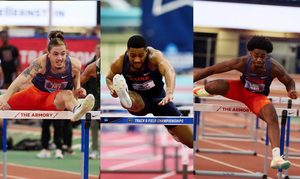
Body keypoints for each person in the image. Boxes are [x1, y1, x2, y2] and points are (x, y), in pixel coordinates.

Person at [193, 35, 297, 169]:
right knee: (211, 86)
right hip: (240, 89)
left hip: (256, 97)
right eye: (256, 55)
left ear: (267, 56)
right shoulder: (242, 62)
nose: (259, 59)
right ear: (250, 54)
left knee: (272, 116)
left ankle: (276, 157)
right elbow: (213, 69)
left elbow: (289, 81)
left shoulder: (275, 67)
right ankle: (203, 90)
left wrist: (291, 90)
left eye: (263, 56)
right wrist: (191, 79)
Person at [0, 30, 95, 136]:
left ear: (66, 52)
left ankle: (77, 109)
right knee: (1, 103)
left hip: (53, 100)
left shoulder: (75, 65)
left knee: (67, 93)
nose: (60, 58)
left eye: (63, 54)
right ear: (48, 54)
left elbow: (76, 82)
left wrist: (78, 90)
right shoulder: (40, 63)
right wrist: (5, 97)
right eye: (55, 54)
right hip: (33, 95)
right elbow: (20, 79)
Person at [106, 35, 193, 148]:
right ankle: (125, 98)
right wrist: (112, 88)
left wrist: (170, 92)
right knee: (131, 100)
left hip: (160, 100)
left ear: (146, 52)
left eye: (141, 56)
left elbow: (169, 71)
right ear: (127, 52)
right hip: (138, 100)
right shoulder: (119, 62)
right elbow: (109, 78)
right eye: (133, 56)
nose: (137, 60)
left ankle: (171, 129)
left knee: (191, 142)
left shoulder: (154, 56)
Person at [82, 41, 101, 159]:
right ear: (95, 50)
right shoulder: (89, 66)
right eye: (98, 48)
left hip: (104, 98)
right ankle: (95, 149)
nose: (100, 50)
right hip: (93, 99)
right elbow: (83, 84)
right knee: (93, 122)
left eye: (102, 48)